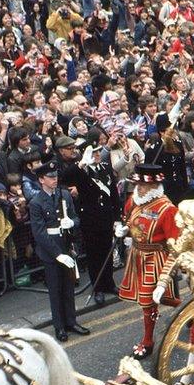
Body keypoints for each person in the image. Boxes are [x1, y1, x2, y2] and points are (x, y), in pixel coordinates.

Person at [115, 164, 181, 359]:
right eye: (138, 184)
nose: (139, 188)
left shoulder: (167, 209)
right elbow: (130, 219)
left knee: (147, 300)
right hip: (136, 255)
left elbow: (175, 244)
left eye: (143, 186)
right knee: (144, 300)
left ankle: (148, 340)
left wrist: (166, 276)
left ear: (154, 186)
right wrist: (125, 229)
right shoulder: (134, 200)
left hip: (156, 257)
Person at [29, 161, 89, 343]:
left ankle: (71, 321)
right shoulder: (36, 202)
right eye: (50, 177)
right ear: (41, 180)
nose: (54, 180)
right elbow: (39, 233)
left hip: (66, 245)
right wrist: (57, 254)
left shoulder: (64, 195)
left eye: (55, 176)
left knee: (68, 287)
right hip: (51, 251)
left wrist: (72, 223)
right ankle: (60, 326)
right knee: (55, 290)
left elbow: (76, 218)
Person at [58, 138, 120, 306]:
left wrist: (117, 218)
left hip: (106, 216)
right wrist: (82, 164)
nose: (98, 154)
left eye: (99, 151)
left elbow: (113, 193)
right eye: (94, 152)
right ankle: (98, 287)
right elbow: (64, 178)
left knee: (107, 251)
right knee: (94, 255)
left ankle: (109, 284)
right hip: (90, 219)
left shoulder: (105, 168)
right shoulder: (81, 171)